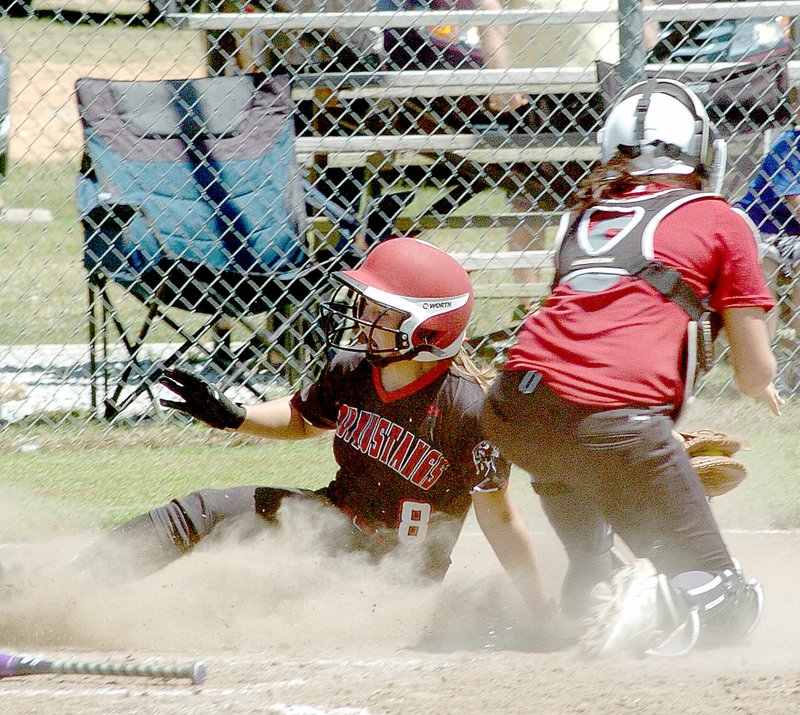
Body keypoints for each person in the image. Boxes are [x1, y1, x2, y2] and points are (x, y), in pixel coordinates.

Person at [71, 238, 574, 645]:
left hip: (393, 571)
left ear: (428, 328)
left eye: (380, 311)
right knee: (205, 510)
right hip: (329, 521)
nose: (361, 317)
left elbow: (500, 519)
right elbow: (303, 417)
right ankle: (65, 585)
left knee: (248, 589)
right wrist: (233, 415)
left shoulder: (470, 412)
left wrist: (541, 608)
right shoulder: (354, 369)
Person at [474, 78, 782, 658]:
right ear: (701, 149)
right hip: (612, 422)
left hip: (516, 411)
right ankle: (646, 597)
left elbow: (577, 333)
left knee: (573, 471)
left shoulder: (581, 218)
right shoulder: (720, 218)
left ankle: (594, 581)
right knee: (728, 606)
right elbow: (752, 371)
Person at [734, 128, 800, 393]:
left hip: (795, 236)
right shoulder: (790, 145)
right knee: (764, 272)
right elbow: (796, 202)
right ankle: (768, 363)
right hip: (761, 227)